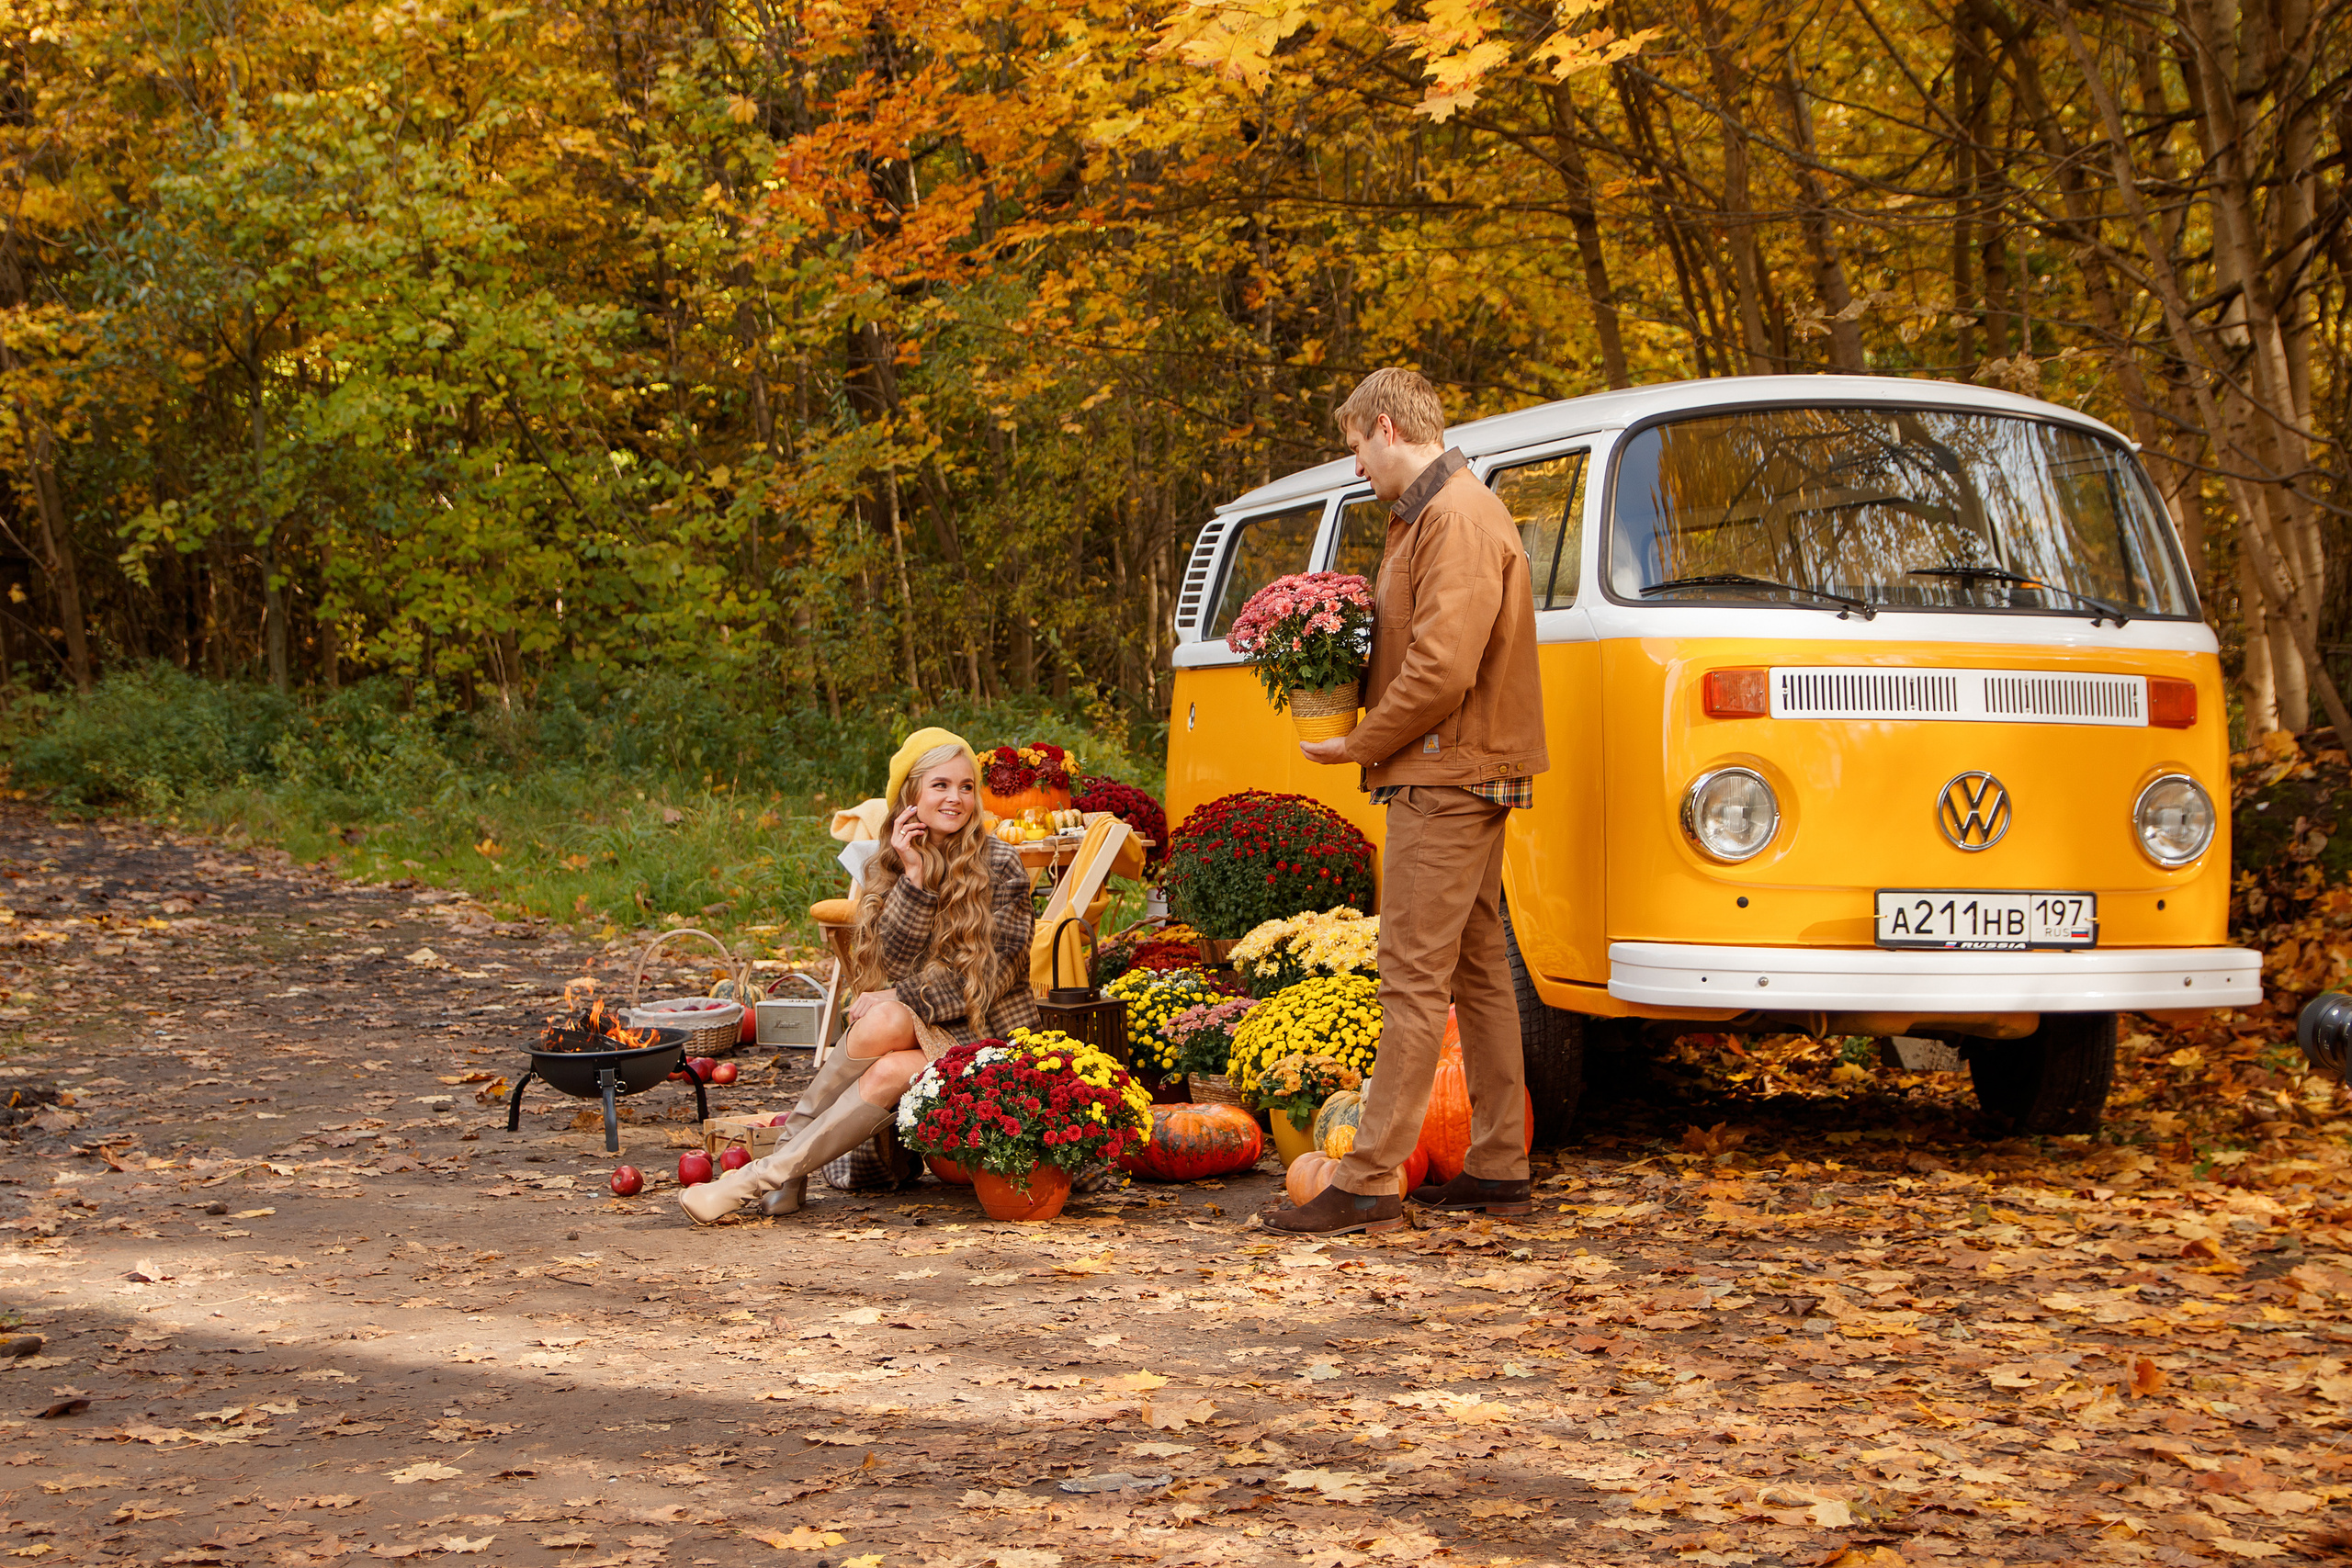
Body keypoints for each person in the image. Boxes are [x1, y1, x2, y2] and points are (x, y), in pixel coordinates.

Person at [1272, 367, 1549, 1236]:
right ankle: (1498, 1164)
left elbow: (1441, 669)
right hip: (1458, 766)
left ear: (1387, 428)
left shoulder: (1455, 517)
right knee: (1478, 969)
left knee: (1410, 975)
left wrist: (1359, 741)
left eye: (1356, 446)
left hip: (1444, 774)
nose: (1355, 466)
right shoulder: (1430, 516)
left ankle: (1367, 1177)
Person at [680, 728, 1040, 1224]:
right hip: (923, 1028)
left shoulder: (1000, 862)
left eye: (965, 786)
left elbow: (989, 975)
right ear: (911, 796)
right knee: (885, 1032)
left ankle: (756, 1179)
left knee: (887, 1034)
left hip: (987, 1035)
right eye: (940, 785)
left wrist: (899, 995)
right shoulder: (890, 863)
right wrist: (914, 879)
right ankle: (780, 1174)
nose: (955, 798)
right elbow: (890, 967)